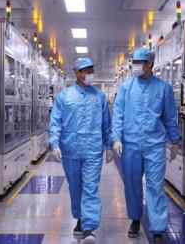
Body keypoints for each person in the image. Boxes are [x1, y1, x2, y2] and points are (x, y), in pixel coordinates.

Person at [111, 48, 180, 243]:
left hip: (154, 146)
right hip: (130, 145)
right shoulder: (126, 88)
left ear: (150, 64)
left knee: (155, 186)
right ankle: (135, 218)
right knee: (132, 184)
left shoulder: (163, 89)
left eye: (139, 63)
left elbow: (169, 117)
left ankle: (157, 228)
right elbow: (118, 114)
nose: (135, 66)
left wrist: (175, 141)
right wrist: (116, 138)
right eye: (134, 62)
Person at [49, 57, 113, 242]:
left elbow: (106, 124)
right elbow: (55, 122)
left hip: (93, 150)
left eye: (91, 70)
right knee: (75, 187)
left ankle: (89, 227)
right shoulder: (64, 97)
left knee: (91, 187)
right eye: (85, 71)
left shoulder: (99, 97)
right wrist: (54, 144)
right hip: (70, 150)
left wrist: (109, 145)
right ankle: (80, 218)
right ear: (76, 73)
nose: (88, 74)